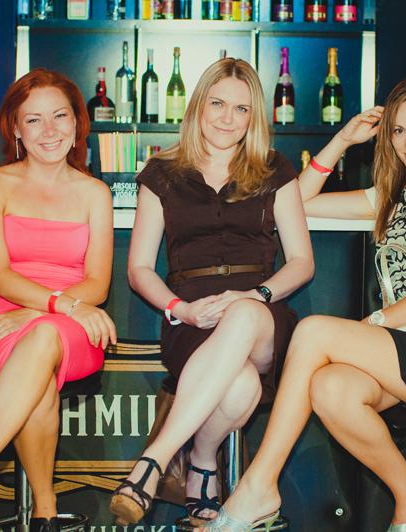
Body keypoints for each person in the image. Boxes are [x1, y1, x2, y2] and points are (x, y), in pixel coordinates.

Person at [204, 73, 406, 531]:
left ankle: (259, 485)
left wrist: (373, 324)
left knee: (314, 331)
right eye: (399, 131)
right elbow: (295, 200)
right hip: (404, 353)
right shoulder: (386, 198)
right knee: (329, 388)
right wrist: (342, 139)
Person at [110, 58, 314, 527]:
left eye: (241, 109)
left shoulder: (274, 169)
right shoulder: (162, 172)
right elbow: (139, 269)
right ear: (198, 106)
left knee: (242, 314)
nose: (227, 118)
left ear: (253, 117)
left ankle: (154, 460)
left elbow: (302, 261)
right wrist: (180, 309)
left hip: (262, 313)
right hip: (193, 316)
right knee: (240, 387)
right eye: (218, 104)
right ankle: (203, 460)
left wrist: (257, 295)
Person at [0, 68, 116, 532]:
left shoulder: (95, 193)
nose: (49, 130)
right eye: (34, 120)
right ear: (15, 128)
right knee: (39, 370)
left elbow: (97, 284)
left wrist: (40, 310)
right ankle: (45, 513)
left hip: (73, 322)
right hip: (1, 320)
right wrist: (50, 308)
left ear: (77, 123)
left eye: (60, 116)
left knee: (43, 337)